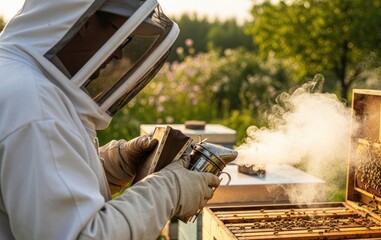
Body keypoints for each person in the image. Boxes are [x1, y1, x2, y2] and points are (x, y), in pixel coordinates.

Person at [0, 0, 220, 239]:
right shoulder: (36, 107)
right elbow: (81, 235)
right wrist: (168, 191)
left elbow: (35, 190)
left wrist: (110, 166)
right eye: (120, 33)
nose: (118, 53)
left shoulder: (16, 76)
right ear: (85, 21)